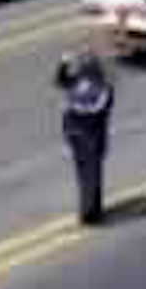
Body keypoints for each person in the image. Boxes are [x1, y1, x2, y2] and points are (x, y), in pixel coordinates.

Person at [55, 43, 115, 226]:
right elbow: (59, 80)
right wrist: (63, 63)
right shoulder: (78, 82)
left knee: (91, 174)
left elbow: (97, 109)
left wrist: (73, 107)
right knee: (86, 174)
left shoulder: (104, 89)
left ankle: (89, 212)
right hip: (77, 135)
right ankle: (92, 210)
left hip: (91, 137)